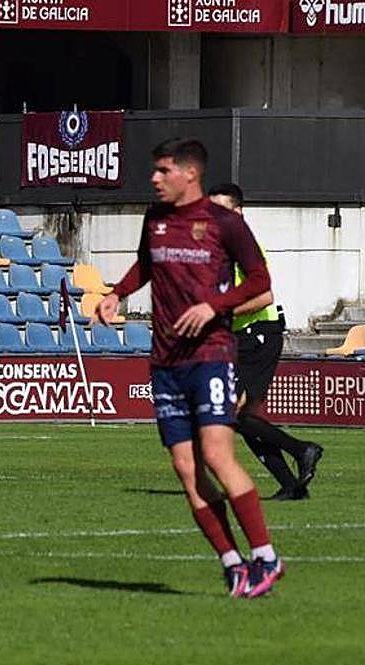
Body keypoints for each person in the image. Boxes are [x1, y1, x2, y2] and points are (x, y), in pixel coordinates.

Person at [94, 138, 283, 599]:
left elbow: (261, 281)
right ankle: (233, 563)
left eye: (163, 171)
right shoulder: (155, 219)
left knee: (217, 456)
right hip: (165, 361)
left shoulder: (225, 223)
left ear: (189, 173)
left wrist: (214, 306)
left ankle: (266, 556)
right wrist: (117, 293)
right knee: (185, 468)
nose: (154, 179)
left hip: (211, 355)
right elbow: (145, 265)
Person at [207, 183, 323, 501]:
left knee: (232, 414)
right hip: (243, 337)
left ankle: (302, 450)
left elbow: (264, 296)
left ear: (238, 213)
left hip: (258, 334)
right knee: (243, 418)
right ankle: (292, 484)